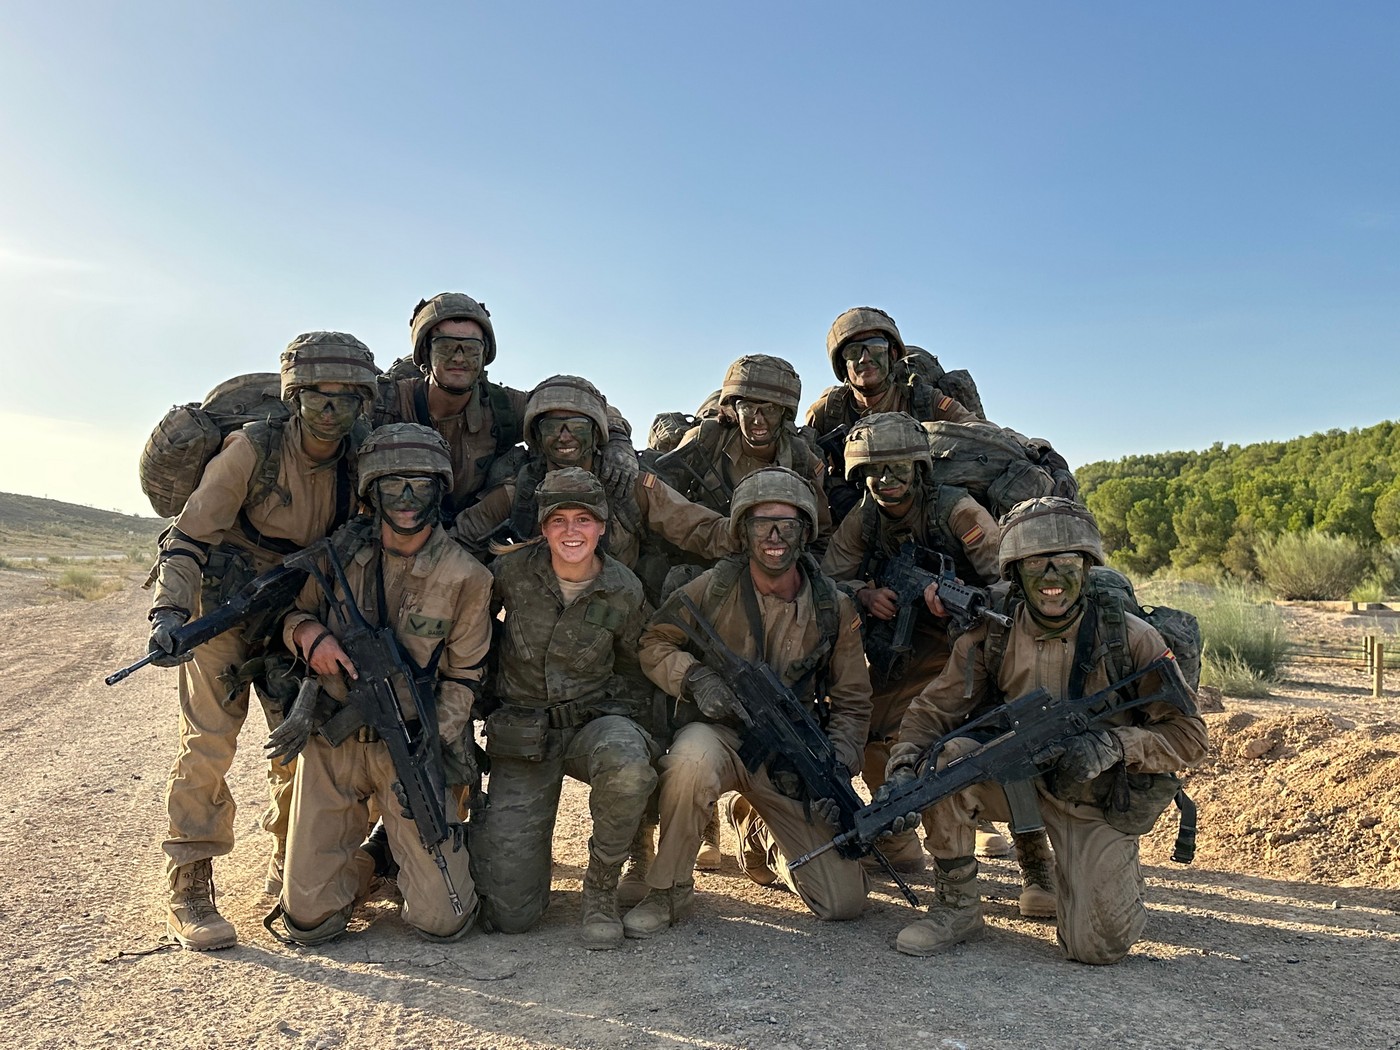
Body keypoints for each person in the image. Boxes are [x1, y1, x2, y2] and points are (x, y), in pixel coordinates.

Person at [884, 497, 1208, 963]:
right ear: (1015, 571)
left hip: (1093, 795)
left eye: (1067, 560)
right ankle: (957, 906)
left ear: (1088, 566)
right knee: (947, 761)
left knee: (1095, 948)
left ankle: (1108, 874)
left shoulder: (1131, 637)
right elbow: (932, 710)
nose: (1052, 575)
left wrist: (1115, 744)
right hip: (1020, 777)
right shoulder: (993, 631)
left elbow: (1190, 737)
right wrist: (902, 767)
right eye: (1037, 561)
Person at [145, 332, 378, 950]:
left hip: (294, 608)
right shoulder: (253, 448)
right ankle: (190, 879)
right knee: (209, 741)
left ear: (362, 405)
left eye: (345, 401)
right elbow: (189, 537)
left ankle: (288, 861)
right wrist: (169, 613)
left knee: (295, 743)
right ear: (294, 397)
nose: (330, 414)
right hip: (220, 604)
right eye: (317, 399)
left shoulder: (359, 461)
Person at [621, 467, 872, 938]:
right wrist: (695, 677)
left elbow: (853, 701)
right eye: (762, 522)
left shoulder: (831, 606)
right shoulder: (715, 587)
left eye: (788, 524)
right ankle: (668, 889)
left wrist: (839, 760)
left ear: (804, 533)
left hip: (790, 753)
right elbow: (654, 641)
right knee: (691, 759)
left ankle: (761, 837)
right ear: (742, 530)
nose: (774, 535)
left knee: (843, 903)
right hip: (720, 734)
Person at [274, 423, 490, 944]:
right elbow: (291, 616)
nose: (408, 499)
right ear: (373, 492)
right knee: (307, 921)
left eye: (421, 485)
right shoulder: (338, 555)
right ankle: (372, 861)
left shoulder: (467, 576)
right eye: (395, 486)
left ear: (440, 489)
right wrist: (313, 637)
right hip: (335, 739)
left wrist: (428, 744)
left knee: (444, 920)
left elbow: (464, 675)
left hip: (408, 741)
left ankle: (392, 849)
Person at [818, 412, 1042, 886]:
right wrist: (864, 593)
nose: (887, 481)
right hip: (906, 648)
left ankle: (1036, 865)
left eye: (898, 468)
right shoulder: (864, 519)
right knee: (876, 732)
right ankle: (897, 839)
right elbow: (828, 578)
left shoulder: (957, 511)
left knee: (1002, 741)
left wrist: (959, 601)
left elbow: (1009, 582)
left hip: (973, 644)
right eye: (875, 471)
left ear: (920, 469)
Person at [470, 468, 658, 949]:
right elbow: (472, 639)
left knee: (628, 764)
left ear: (601, 525)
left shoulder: (623, 587)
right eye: (558, 520)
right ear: (542, 526)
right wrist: (486, 701)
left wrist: (621, 722)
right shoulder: (509, 573)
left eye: (583, 519)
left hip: (589, 729)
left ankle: (599, 889)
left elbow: (636, 670)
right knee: (512, 915)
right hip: (524, 738)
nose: (571, 532)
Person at [374, 292, 638, 521]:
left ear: (485, 354)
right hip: (394, 528)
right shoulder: (387, 402)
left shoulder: (502, 406)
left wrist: (616, 439)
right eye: (446, 346)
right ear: (425, 353)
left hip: (473, 533)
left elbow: (575, 403)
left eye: (471, 348)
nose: (458, 357)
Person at [453, 375, 740, 575]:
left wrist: (757, 535)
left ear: (595, 432)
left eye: (576, 426)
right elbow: (461, 540)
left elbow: (695, 527)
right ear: (537, 437)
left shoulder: (628, 484)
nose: (564, 437)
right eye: (553, 427)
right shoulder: (521, 491)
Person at [805, 307, 981, 524]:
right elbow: (804, 464)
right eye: (853, 351)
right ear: (842, 364)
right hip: (855, 522)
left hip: (926, 515)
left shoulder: (922, 400)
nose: (864, 359)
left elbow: (977, 431)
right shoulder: (827, 412)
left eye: (876, 348)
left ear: (893, 354)